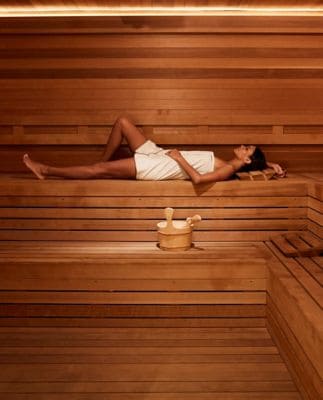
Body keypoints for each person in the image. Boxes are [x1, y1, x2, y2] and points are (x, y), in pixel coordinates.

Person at [23, 116, 285, 184]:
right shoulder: (234, 167)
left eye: (246, 148)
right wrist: (270, 166)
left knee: (98, 171)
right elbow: (254, 174)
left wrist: (180, 158)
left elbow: (199, 180)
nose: (241, 146)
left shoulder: (227, 169)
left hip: (159, 166)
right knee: (123, 122)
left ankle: (46, 169)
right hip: (160, 153)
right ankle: (103, 164)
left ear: (247, 157)